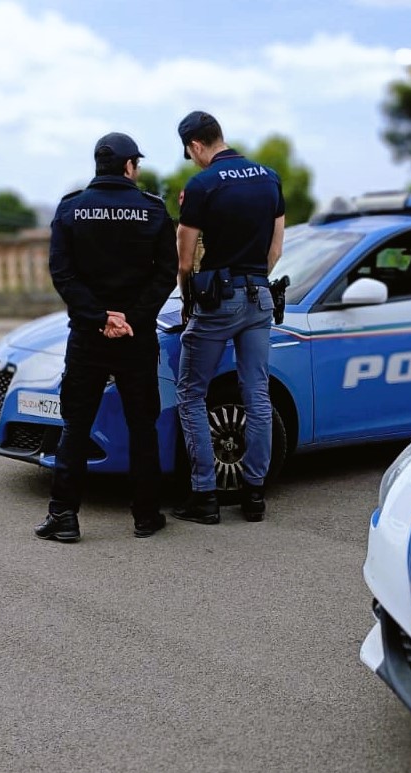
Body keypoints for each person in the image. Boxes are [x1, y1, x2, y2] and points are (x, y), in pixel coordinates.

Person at [35, 132, 178, 542]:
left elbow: (63, 274)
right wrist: (130, 318)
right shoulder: (152, 211)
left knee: (76, 425)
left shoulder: (70, 210)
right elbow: (165, 274)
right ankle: (146, 515)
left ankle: (64, 516)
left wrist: (100, 317)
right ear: (130, 167)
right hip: (136, 336)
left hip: (88, 336)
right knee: (142, 424)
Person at [172, 110, 285, 524]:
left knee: (191, 393)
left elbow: (185, 261)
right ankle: (254, 495)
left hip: (218, 301)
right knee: (257, 393)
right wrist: (253, 281)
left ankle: (204, 496)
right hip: (260, 297)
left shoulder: (202, 184)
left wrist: (189, 302)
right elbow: (275, 249)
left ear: (196, 146)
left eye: (191, 153)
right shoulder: (269, 177)